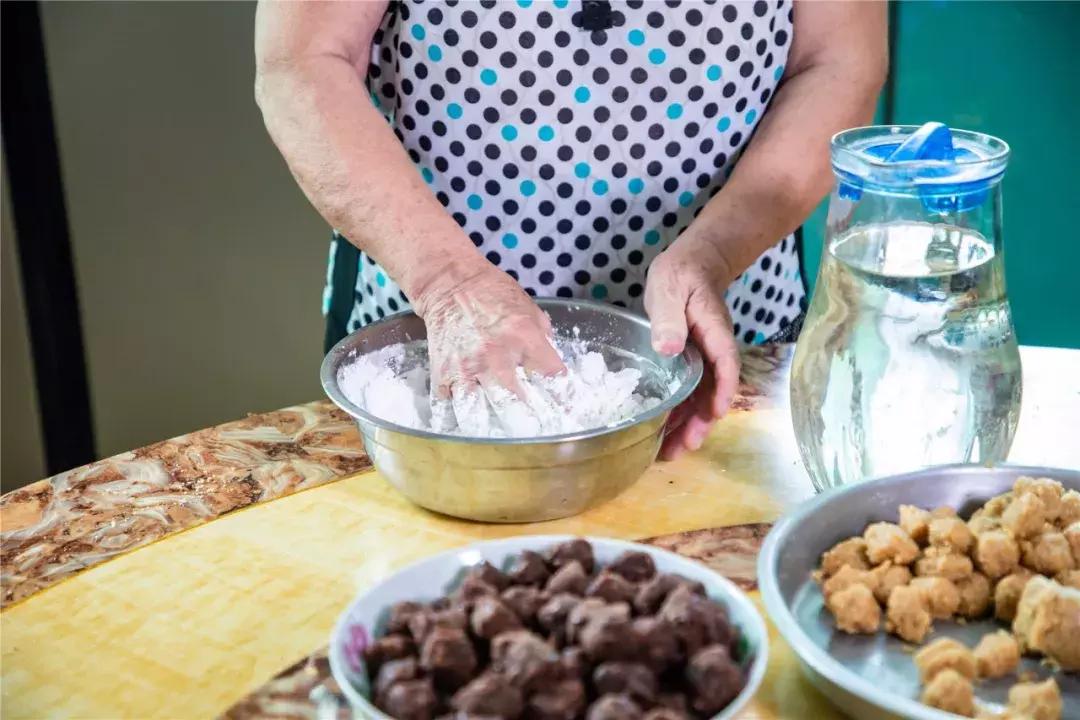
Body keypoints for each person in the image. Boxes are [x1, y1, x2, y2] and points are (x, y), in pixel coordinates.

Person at [255, 0, 886, 458]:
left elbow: (839, 62)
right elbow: (303, 61)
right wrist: (449, 283)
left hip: (727, 333)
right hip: (433, 351)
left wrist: (715, 253)